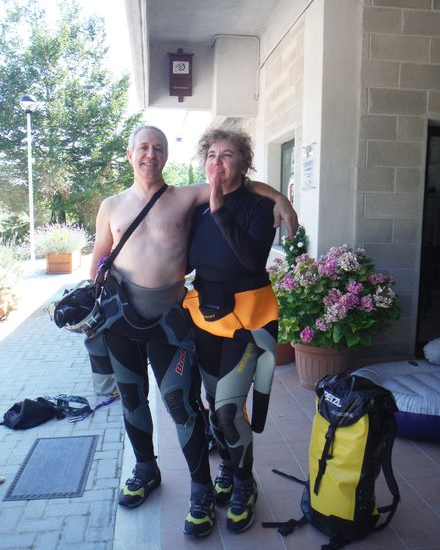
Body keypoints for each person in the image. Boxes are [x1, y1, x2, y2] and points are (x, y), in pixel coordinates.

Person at [86, 125, 297, 536]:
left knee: (190, 407)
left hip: (185, 322)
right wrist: (90, 299)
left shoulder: (187, 198)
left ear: (166, 156)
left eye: (158, 148)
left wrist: (281, 197)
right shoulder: (113, 206)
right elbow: (99, 258)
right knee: (135, 401)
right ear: (130, 154)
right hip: (134, 321)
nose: (150, 154)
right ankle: (148, 469)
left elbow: (238, 188)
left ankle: (209, 487)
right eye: (143, 147)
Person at [183, 128, 279, 534]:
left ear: (244, 163)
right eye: (211, 155)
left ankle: (244, 483)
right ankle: (228, 466)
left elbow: (251, 260)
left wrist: (221, 209)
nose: (217, 162)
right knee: (213, 402)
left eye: (227, 155)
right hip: (206, 317)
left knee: (227, 410)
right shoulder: (196, 209)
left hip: (249, 321)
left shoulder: (260, 207)